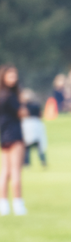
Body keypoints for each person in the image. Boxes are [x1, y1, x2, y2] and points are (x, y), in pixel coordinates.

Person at [0, 66, 28, 216]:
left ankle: (3, 205)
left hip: (3, 135)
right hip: (15, 135)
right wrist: (23, 101)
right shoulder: (11, 96)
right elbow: (23, 113)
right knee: (16, 170)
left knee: (5, 171)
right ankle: (18, 204)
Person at [21, 90, 48, 168]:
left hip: (27, 125)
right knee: (40, 146)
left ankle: (27, 163)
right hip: (37, 124)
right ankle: (43, 161)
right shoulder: (37, 105)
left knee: (27, 146)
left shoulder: (23, 106)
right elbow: (40, 115)